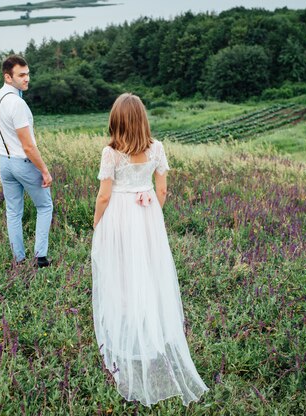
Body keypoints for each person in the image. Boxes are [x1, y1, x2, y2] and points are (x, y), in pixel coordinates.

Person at [91, 93, 208, 406]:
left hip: (118, 216)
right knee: (149, 272)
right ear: (143, 119)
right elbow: (163, 189)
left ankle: (128, 333)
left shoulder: (111, 152)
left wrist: (96, 223)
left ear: (116, 120)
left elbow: (103, 196)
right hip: (147, 216)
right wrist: (153, 213)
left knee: (121, 274)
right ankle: (151, 331)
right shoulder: (157, 148)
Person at [0, 55, 53, 268]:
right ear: (8, 77)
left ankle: (19, 259)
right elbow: (28, 145)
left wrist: (2, 164)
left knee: (13, 212)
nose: (27, 79)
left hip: (6, 162)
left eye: (27, 74)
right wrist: (44, 171)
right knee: (45, 205)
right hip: (22, 162)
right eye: (21, 75)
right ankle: (41, 258)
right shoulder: (17, 103)